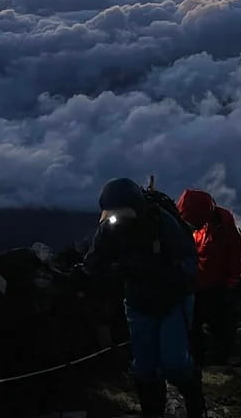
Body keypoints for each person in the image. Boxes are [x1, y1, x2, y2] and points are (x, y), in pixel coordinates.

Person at [79, 178, 206, 418]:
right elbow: (95, 260)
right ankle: (153, 412)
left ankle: (196, 404)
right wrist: (85, 273)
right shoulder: (110, 227)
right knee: (145, 368)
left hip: (172, 301)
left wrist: (159, 273)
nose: (119, 218)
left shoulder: (162, 223)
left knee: (175, 364)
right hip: (138, 303)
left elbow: (189, 263)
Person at [176, 189, 241, 367]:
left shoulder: (223, 222)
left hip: (216, 283)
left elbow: (236, 251)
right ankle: (197, 360)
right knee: (194, 324)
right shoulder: (187, 222)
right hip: (195, 282)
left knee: (219, 323)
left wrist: (233, 280)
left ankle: (219, 361)